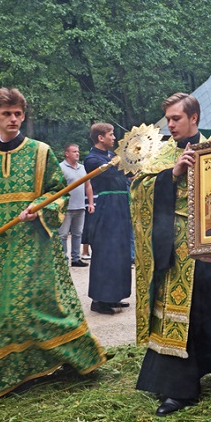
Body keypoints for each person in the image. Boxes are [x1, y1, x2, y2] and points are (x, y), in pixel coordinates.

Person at [0, 88, 105, 400]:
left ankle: (74, 358)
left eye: (18, 114)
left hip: (36, 246)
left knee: (39, 307)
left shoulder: (41, 153)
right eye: (6, 114)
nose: (13, 119)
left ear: (23, 116)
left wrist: (40, 206)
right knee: (1, 312)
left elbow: (58, 190)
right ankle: (5, 375)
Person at [130, 93, 211, 416]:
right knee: (178, 313)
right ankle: (180, 388)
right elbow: (138, 191)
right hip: (174, 248)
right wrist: (171, 174)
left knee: (209, 307)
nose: (170, 125)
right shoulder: (161, 153)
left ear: (194, 118)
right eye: (168, 120)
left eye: (176, 119)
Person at [83, 123, 133, 315]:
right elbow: (111, 172)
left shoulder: (112, 156)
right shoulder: (92, 159)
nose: (114, 137)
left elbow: (127, 173)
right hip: (106, 206)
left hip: (120, 204)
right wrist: (126, 157)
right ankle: (99, 300)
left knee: (120, 251)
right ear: (100, 138)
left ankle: (115, 295)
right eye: (110, 134)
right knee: (106, 251)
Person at [58, 143, 94, 267]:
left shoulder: (82, 168)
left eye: (77, 151)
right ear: (66, 153)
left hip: (80, 206)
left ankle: (75, 258)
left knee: (78, 233)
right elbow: (57, 188)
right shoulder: (60, 168)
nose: (77, 153)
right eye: (74, 151)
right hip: (66, 207)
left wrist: (90, 203)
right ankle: (63, 259)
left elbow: (88, 185)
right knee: (63, 234)